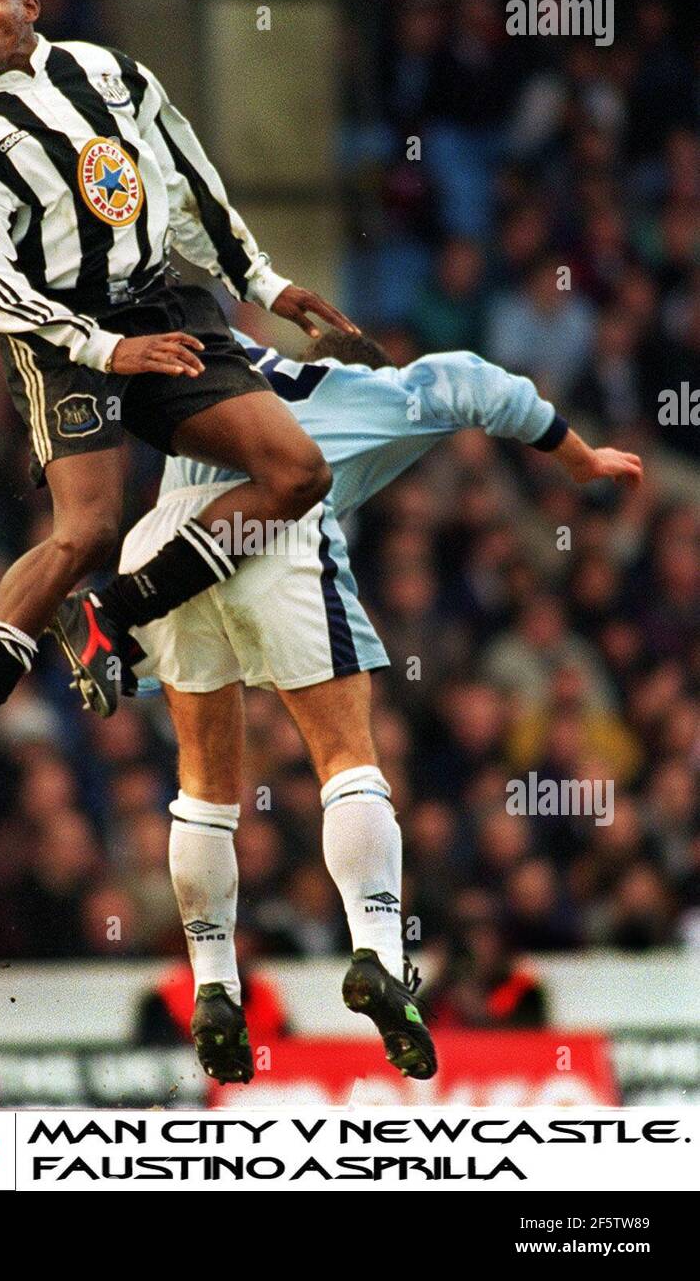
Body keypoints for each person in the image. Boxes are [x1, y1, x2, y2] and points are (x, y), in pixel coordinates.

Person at [0, 0, 358, 833]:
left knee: (298, 472)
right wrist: (105, 350)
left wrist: (262, 285)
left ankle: (113, 613)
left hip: (160, 309)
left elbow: (185, 179)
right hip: (61, 339)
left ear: (29, 5)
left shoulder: (111, 74)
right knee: (88, 529)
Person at [105, 330, 642, 1083]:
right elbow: (477, 382)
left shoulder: (227, 357)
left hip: (163, 546)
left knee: (204, 786)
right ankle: (379, 956)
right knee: (347, 762)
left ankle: (214, 982)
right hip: (271, 526)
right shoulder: (373, 394)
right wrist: (580, 457)